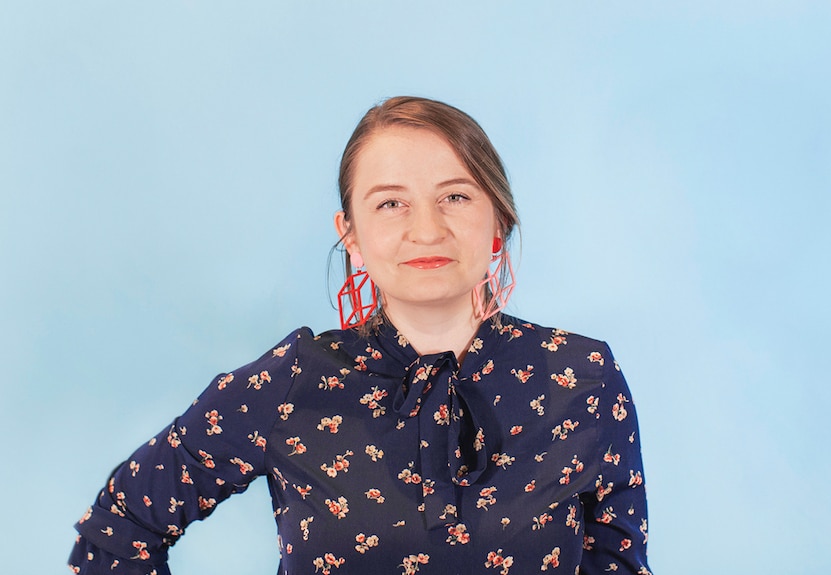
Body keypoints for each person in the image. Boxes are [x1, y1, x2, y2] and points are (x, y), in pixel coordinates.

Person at [69, 96, 652, 575]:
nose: (427, 229)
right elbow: (119, 530)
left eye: (455, 196)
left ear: (497, 220)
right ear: (350, 233)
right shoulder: (294, 381)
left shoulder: (583, 376)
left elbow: (622, 562)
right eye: (391, 203)